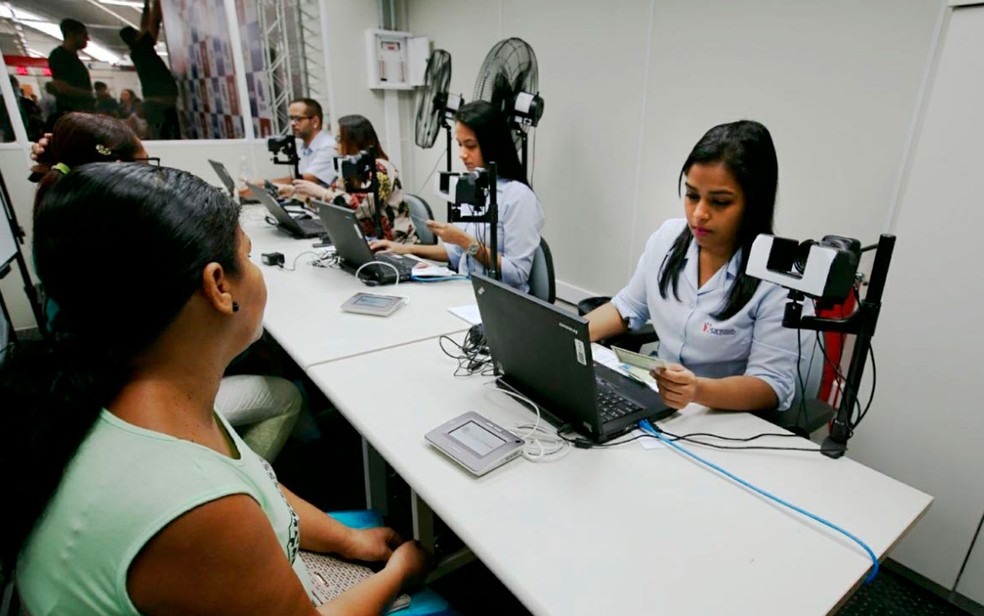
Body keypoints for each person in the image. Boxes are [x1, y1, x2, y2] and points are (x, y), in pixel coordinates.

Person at [2, 163, 427, 613]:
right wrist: (402, 570)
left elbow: (258, 482)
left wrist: (347, 540)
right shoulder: (196, 504)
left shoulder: (136, 394)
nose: (256, 270)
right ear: (219, 286)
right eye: (247, 256)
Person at [28, 112, 302, 462]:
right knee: (280, 388)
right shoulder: (129, 251)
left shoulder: (72, 227)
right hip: (145, 397)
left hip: (103, 392)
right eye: (145, 167)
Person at [585, 120, 804, 413]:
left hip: (723, 419)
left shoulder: (777, 276)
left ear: (754, 203)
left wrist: (698, 390)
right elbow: (627, 307)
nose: (699, 214)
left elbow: (771, 386)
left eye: (720, 202)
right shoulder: (667, 238)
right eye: (691, 196)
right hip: (659, 403)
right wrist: (565, 332)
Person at [371, 101, 544, 292]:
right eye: (460, 145)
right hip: (464, 290)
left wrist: (464, 240)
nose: (462, 154)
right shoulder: (471, 185)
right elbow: (455, 253)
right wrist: (406, 250)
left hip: (500, 301)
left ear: (492, 145)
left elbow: (517, 274)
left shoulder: (518, 197)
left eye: (470, 146)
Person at [292, 114, 416, 243]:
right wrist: (295, 193)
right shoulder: (352, 169)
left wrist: (323, 193)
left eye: (339, 140)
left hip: (396, 246)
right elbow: (331, 203)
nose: (335, 146)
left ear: (355, 140)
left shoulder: (381, 169)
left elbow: (360, 209)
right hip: (365, 241)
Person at [243, 97, 337, 196]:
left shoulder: (328, 146)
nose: (292, 123)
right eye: (291, 119)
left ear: (315, 122)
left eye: (298, 119)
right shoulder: (304, 147)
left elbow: (309, 178)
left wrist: (263, 183)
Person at [119, 0, 179, 139]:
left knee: (161, 136)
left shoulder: (136, 50)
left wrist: (146, 7)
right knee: (168, 137)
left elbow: (144, 26)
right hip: (161, 104)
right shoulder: (143, 47)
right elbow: (154, 21)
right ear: (136, 36)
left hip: (155, 102)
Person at [47, 18, 94, 119]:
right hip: (74, 114)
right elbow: (62, 88)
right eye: (84, 35)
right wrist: (91, 95)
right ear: (71, 34)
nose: (87, 39)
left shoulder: (74, 58)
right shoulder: (59, 56)